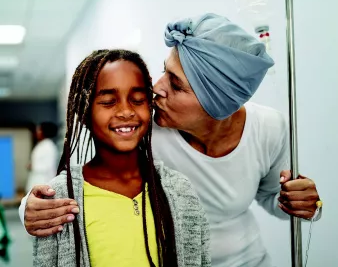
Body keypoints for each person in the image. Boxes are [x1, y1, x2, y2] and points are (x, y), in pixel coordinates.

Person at [19, 14, 321, 267]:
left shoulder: (268, 128)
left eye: (175, 84)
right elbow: (80, 181)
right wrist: (28, 209)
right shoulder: (141, 128)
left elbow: (272, 198)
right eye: (165, 70)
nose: (157, 88)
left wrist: (300, 202)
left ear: (215, 103)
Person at [32, 49, 210, 267]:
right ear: (84, 111)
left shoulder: (180, 190)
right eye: (108, 102)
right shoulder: (61, 198)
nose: (126, 111)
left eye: (137, 99)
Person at [25, 122, 59, 193]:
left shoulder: (49, 146)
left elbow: (48, 166)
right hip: (36, 179)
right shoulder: (41, 145)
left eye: (39, 130)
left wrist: (33, 166)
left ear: (45, 132)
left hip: (44, 181)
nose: (37, 132)